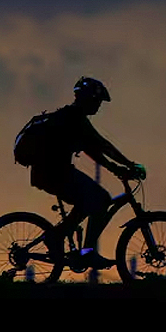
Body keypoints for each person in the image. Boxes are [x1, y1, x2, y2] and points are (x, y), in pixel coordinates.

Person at [30, 76, 144, 268]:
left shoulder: (70, 117)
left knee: (90, 201)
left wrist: (116, 168)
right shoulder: (75, 118)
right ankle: (86, 252)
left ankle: (57, 237)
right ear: (88, 98)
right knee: (101, 199)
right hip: (55, 173)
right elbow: (102, 145)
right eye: (97, 101)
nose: (99, 106)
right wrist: (129, 165)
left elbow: (93, 150)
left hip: (49, 172)